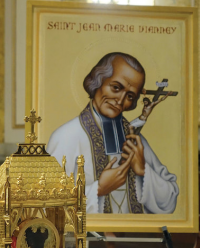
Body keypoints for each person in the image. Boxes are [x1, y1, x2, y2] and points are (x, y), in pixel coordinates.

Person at [47, 52, 179, 214]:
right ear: (98, 81)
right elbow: (49, 206)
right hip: (87, 238)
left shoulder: (135, 140)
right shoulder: (66, 137)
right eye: (116, 87)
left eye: (130, 96)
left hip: (137, 238)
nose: (121, 100)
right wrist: (99, 189)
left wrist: (144, 170)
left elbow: (170, 201)